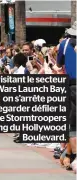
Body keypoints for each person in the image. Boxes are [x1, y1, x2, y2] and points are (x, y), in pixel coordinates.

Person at [56, 21, 77, 169]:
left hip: (73, 85)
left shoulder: (65, 43)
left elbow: (58, 63)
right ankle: (68, 155)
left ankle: (70, 155)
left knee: (72, 123)